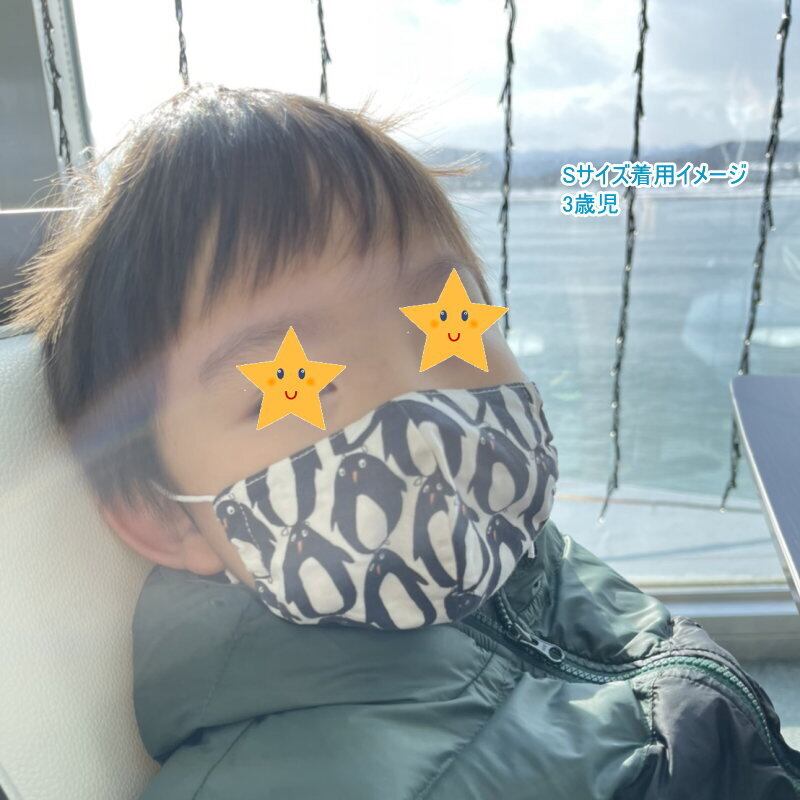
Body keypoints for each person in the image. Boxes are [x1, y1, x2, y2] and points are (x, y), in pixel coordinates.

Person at [8, 84, 800, 799]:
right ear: (167, 516)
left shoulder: (532, 564)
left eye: (449, 326)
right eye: (292, 382)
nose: (425, 410)